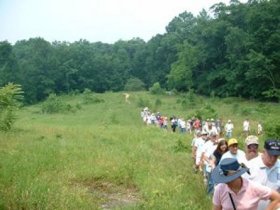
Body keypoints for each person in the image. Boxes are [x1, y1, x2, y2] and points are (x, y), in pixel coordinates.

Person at [212, 158, 280, 210]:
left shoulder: (253, 187)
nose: (225, 182)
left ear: (237, 176)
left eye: (228, 180)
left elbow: (277, 197)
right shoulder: (220, 189)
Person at [246, 139, 280, 210]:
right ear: (264, 151)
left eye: (276, 156)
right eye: (270, 155)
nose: (273, 158)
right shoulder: (250, 166)